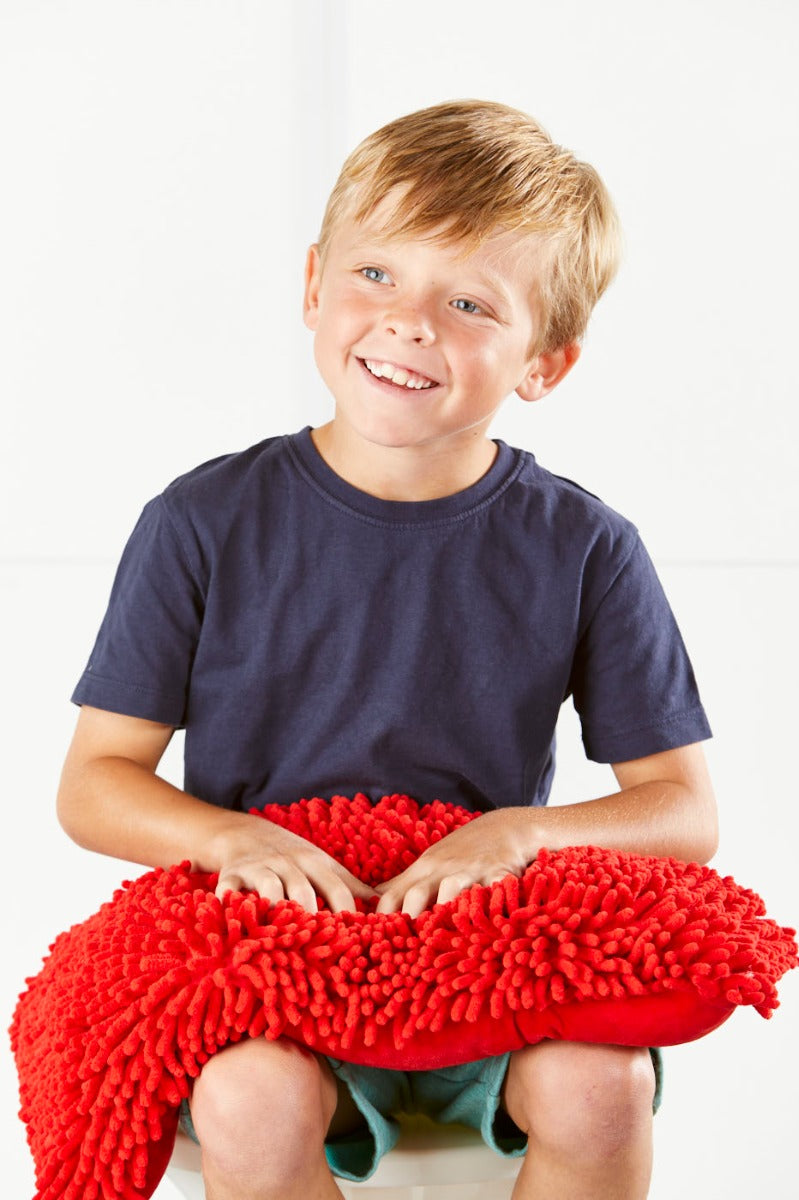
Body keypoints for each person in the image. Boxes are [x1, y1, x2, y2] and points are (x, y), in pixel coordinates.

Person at [57, 100, 717, 1200]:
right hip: (279, 964)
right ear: (313, 282)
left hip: (488, 957)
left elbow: (682, 810)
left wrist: (515, 839)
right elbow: (93, 785)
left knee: (599, 1088)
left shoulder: (585, 546)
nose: (407, 323)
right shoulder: (201, 521)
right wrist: (228, 843)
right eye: (375, 276)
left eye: (466, 303)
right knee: (246, 1100)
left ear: (544, 361)